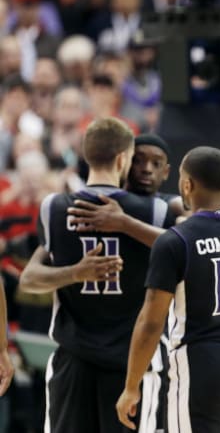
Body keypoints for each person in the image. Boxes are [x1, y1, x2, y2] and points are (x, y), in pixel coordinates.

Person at [19, 117, 172, 433]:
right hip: (132, 363)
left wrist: (74, 273)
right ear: (122, 160)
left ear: (87, 156)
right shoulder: (154, 211)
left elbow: (29, 279)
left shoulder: (52, 208)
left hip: (72, 362)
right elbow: (183, 247)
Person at [116, 146, 220, 432]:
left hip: (199, 360)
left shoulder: (175, 240)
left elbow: (151, 322)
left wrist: (131, 386)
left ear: (186, 185)